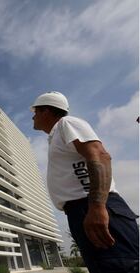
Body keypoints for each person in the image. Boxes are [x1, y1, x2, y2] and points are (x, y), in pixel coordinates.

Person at [30, 91, 139, 273]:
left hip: (93, 206)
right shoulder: (57, 135)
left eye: (36, 111)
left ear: (46, 111)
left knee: (117, 266)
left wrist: (96, 207)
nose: (33, 116)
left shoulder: (67, 123)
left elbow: (100, 156)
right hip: (84, 210)